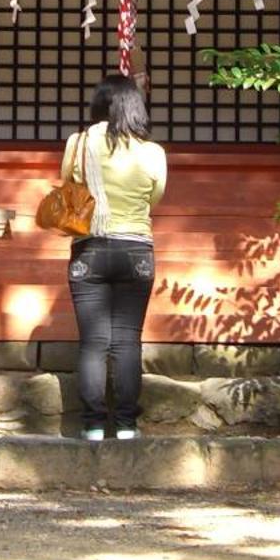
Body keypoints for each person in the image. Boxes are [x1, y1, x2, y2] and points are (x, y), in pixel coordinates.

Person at [63, 73, 168, 441]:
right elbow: (154, 200)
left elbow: (69, 187)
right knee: (127, 341)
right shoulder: (153, 152)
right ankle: (125, 426)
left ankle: (92, 424)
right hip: (136, 249)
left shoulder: (79, 144)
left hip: (89, 249)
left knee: (93, 341)